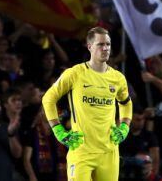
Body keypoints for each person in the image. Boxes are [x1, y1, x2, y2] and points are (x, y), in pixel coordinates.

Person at [42, 26, 132, 181]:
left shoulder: (118, 78)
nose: (105, 48)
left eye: (108, 44)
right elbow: (48, 98)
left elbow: (126, 103)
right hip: (82, 151)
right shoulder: (75, 73)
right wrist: (58, 129)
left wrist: (124, 126)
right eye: (100, 44)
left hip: (109, 152)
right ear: (90, 46)